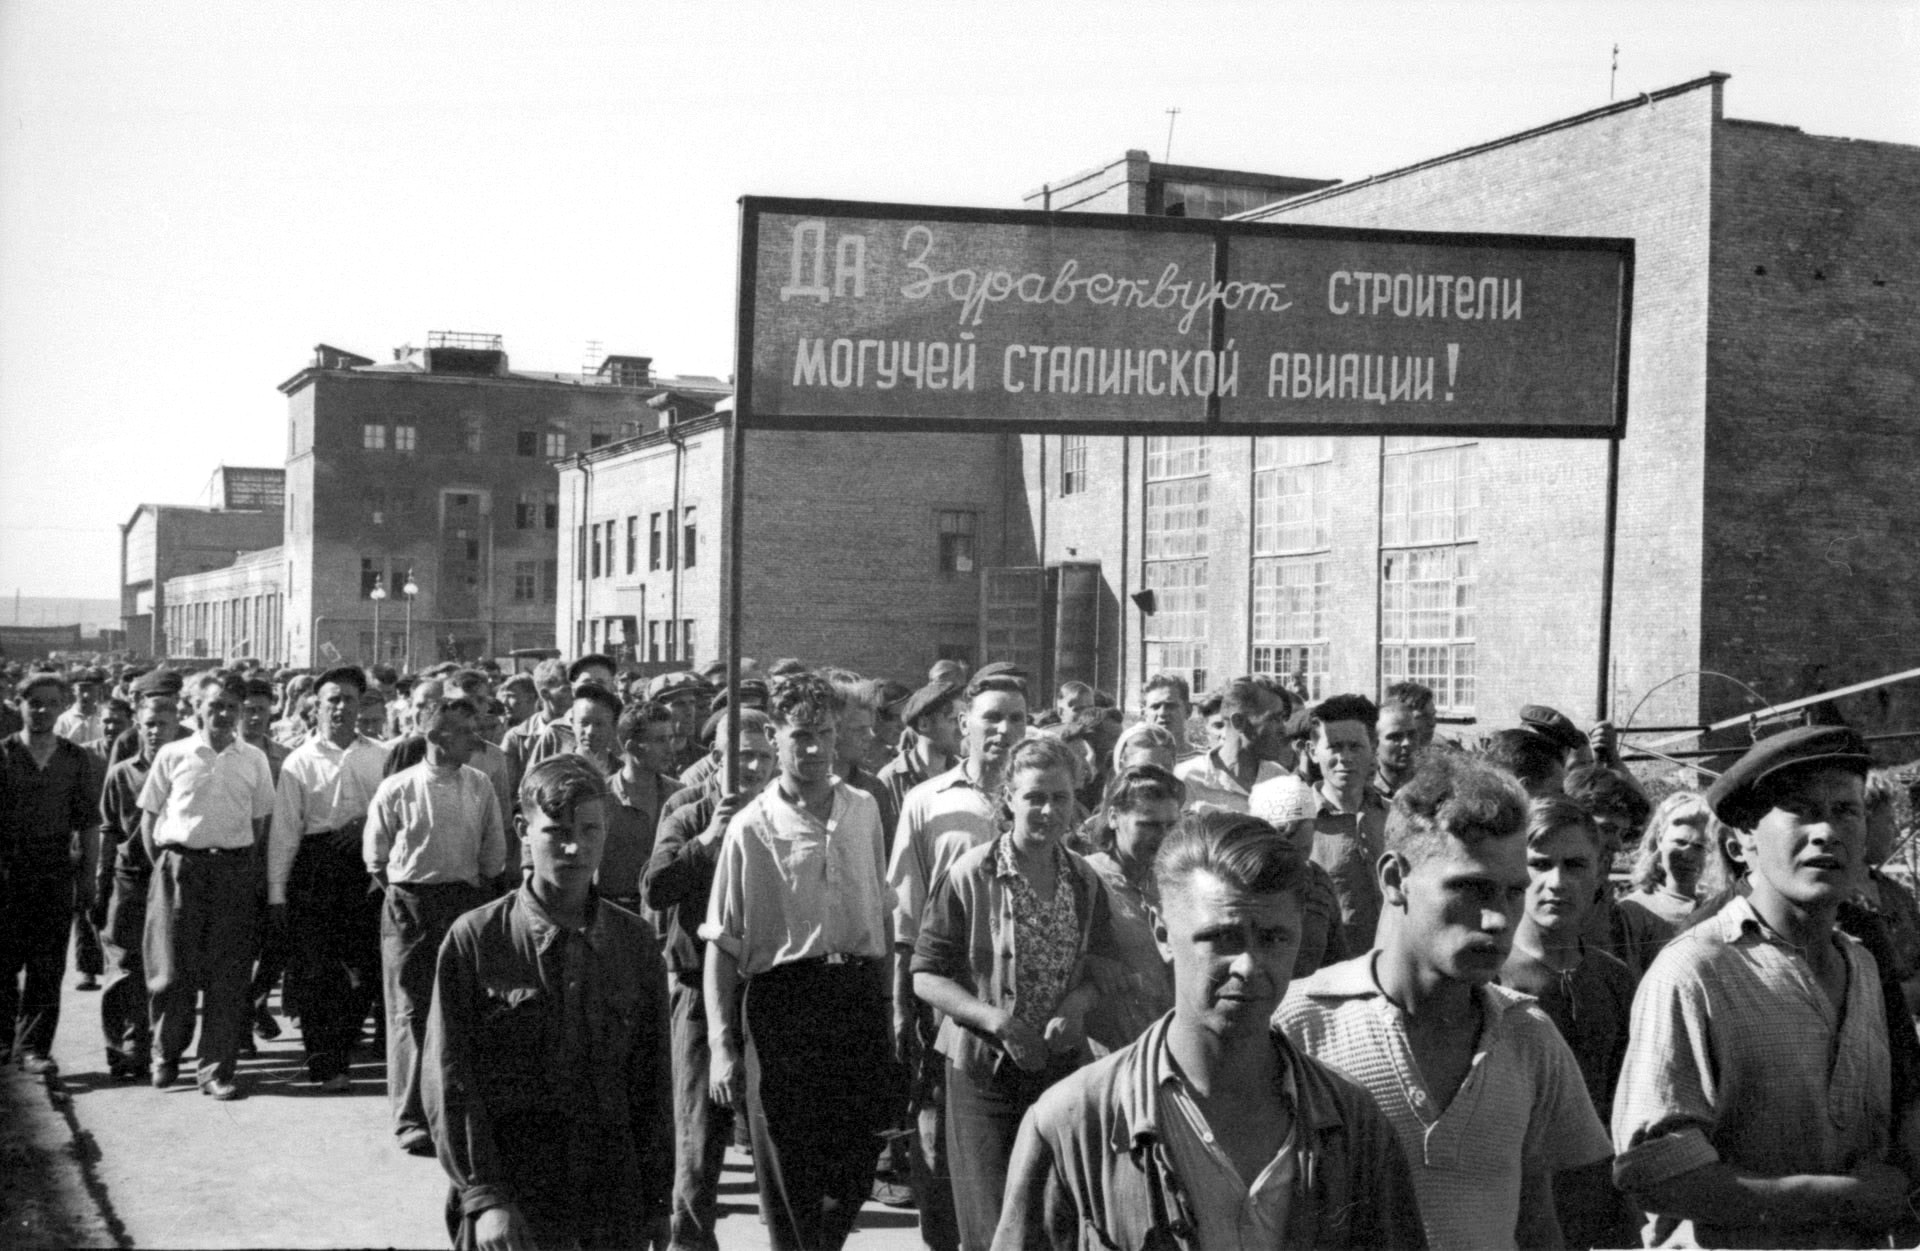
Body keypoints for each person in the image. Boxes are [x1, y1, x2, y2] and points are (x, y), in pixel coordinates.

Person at [995, 810, 1426, 1250]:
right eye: (1223, 938)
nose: (1249, 965)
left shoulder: (1354, 1122)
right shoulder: (1073, 1122)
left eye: (1274, 939)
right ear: (1163, 933)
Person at [1278, 753, 1615, 1250]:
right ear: (1394, 880)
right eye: (1471, 889)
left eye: (1512, 893)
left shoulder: (1529, 1036)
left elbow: (1538, 1222)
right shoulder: (1300, 1025)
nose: (1498, 920)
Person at [1613, 725, 1920, 1247]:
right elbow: (1654, 1173)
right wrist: (1838, 1198)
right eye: (1800, 810)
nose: (1826, 831)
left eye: (1845, 811)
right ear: (1743, 841)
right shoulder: (1695, 970)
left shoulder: (1862, 965)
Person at [421, 753, 672, 1250]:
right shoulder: (477, 940)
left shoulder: (634, 942)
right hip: (515, 1198)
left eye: (590, 829)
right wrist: (486, 1198)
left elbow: (652, 1084)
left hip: (610, 1197)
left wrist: (657, 1200)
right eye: (556, 831)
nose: (575, 847)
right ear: (523, 830)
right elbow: (451, 1082)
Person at [702, 674, 897, 1251]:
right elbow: (722, 942)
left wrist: (891, 1006)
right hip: (785, 1006)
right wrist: (721, 1045)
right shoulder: (751, 825)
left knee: (856, 1163)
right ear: (775, 736)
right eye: (801, 736)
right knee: (792, 1175)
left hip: (856, 999)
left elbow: (882, 911)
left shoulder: (864, 809)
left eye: (825, 735)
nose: (814, 749)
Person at [912, 735, 1115, 1251]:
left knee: (1054, 1221)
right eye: (1034, 797)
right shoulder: (971, 873)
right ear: (1009, 799)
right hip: (985, 1073)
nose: (1048, 810)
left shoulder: (1084, 879)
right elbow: (926, 975)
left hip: (1058, 1072)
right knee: (993, 1223)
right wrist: (997, 1022)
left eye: (1060, 798)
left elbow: (1101, 967)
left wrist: (1075, 1007)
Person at [888, 671, 1029, 1250]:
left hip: (1026, 997)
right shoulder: (928, 802)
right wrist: (900, 1005)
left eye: (1016, 718)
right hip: (948, 992)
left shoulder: (1045, 798)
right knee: (942, 1136)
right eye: (991, 717)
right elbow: (904, 914)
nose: (1003, 730)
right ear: (964, 724)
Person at [643, 709, 776, 1251]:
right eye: (742, 757)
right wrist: (708, 839)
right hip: (700, 985)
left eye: (763, 757)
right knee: (699, 1132)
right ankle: (691, 1239)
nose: (754, 768)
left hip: (768, 984)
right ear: (717, 759)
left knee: (774, 1128)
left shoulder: (782, 812)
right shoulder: (687, 810)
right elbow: (655, 887)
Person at [364, 695, 506, 1155]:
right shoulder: (398, 788)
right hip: (410, 905)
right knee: (410, 1012)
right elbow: (376, 858)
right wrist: (406, 899)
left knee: (462, 1007)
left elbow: (493, 854)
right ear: (435, 736)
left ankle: (455, 1110)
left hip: (465, 903)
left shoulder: (479, 785)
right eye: (464, 731)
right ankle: (411, 1118)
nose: (475, 739)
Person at [1499, 797, 1638, 1249]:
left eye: (1575, 865)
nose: (1557, 882)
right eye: (1540, 864)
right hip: (1513, 1206)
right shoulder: (1490, 978)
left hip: (1600, 1200)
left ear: (1599, 873)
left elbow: (1628, 1104)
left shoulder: (1613, 978)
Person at [138, 670, 277, 1098]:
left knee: (228, 974)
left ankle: (216, 1069)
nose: (224, 714)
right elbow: (149, 818)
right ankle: (166, 1054)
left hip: (233, 871)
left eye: (232, 707)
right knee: (171, 970)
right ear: (197, 708)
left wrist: (239, 866)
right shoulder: (174, 753)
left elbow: (259, 823)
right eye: (215, 705)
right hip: (181, 868)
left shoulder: (254, 759)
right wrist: (169, 866)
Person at [268, 665, 389, 1090]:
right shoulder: (299, 762)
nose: (340, 708)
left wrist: (366, 823)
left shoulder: (381, 756)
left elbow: (395, 813)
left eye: (348, 699)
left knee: (364, 968)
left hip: (367, 868)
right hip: (316, 868)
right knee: (316, 969)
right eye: (332, 700)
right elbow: (285, 832)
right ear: (316, 707)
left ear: (360, 705)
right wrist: (278, 893)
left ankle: (345, 1043)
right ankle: (325, 1062)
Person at [1, 671, 102, 1072]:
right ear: (19, 705)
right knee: (4, 961)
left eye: (51, 703)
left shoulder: (75, 759)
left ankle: (34, 1048)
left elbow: (88, 823)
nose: (42, 710)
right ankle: (3, 1041)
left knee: (47, 965)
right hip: (7, 872)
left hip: (54, 871)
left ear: (63, 707)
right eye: (34, 702)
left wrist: (88, 879)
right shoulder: (4, 754)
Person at [93, 678, 178, 1078]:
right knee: (124, 963)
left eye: (163, 724)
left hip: (172, 876)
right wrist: (100, 884)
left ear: (177, 725)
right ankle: (125, 1046)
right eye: (149, 725)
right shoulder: (122, 773)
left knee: (165, 965)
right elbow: (108, 831)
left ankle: (160, 1046)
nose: (155, 731)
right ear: (138, 727)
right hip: (130, 877)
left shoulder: (187, 769)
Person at [1080, 763, 1183, 1054]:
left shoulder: (1176, 877)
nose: (1162, 836)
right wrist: (1090, 962)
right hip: (1113, 1053)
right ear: (1114, 817)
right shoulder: (1085, 878)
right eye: (1148, 825)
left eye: (1171, 826)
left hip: (1172, 1045)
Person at [1248, 771, 1348, 978]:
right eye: (1284, 851)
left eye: (1304, 849)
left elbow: (1338, 959)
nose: (1295, 863)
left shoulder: (1318, 881)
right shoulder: (1240, 886)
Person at [1615, 789, 1714, 971]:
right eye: (1680, 842)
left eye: (1699, 846)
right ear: (1660, 839)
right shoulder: (1634, 911)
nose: (1688, 855)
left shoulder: (1719, 905)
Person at [1174, 677, 1291, 813]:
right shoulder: (1187, 779)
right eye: (1274, 719)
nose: (1284, 729)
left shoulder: (1281, 779)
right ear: (1239, 722)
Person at [873, 678, 962, 848]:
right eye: (953, 720)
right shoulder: (892, 779)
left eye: (963, 719)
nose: (961, 728)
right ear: (924, 724)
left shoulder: (963, 775)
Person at [1375, 683, 1432, 800]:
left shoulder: (1431, 790)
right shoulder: (1363, 793)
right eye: (1395, 737)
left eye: (1412, 734)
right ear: (1374, 743)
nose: (1407, 743)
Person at [1140, 673, 1200, 762]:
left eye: (1170, 706)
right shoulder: (1136, 762)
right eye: (1155, 707)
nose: (1162, 713)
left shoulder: (1207, 761)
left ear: (1188, 710)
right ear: (1144, 713)